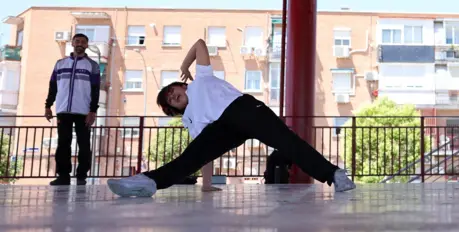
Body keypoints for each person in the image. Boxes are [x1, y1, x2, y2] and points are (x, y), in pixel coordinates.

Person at [107, 38, 356, 197]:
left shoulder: (200, 80)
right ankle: (147, 182)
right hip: (222, 127)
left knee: (287, 142)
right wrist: (205, 184)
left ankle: (334, 174)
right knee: (189, 156)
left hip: (242, 109)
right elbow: (202, 155)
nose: (173, 96)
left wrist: (185, 66)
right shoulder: (190, 119)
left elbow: (200, 45)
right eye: (169, 100)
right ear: (173, 111)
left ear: (182, 86)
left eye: (173, 90)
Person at [45, 33, 101, 186]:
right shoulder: (60, 64)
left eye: (83, 41)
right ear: (72, 43)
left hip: (83, 112)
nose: (80, 44)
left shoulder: (93, 66)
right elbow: (53, 87)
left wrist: (92, 111)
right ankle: (63, 176)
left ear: (86, 45)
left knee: (84, 144)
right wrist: (48, 105)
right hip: (63, 110)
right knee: (63, 143)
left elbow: (96, 90)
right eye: (77, 41)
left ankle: (82, 176)